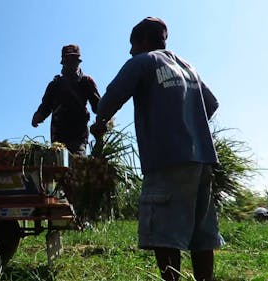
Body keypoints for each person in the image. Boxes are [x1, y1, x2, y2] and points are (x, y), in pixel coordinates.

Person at [90, 17, 224, 281]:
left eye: (132, 44)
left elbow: (113, 95)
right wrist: (188, 124)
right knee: (202, 234)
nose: (130, 51)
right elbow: (212, 103)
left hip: (167, 160)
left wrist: (100, 121)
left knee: (164, 231)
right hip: (202, 161)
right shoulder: (189, 68)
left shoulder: (143, 61)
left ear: (143, 41)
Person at [31, 44, 101, 156]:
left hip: (78, 136)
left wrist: (105, 117)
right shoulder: (55, 85)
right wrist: (38, 116)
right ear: (63, 62)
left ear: (78, 61)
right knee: (59, 168)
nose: (70, 63)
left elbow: (98, 107)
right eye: (67, 60)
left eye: (73, 60)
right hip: (58, 137)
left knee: (77, 165)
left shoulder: (86, 82)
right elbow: (45, 106)